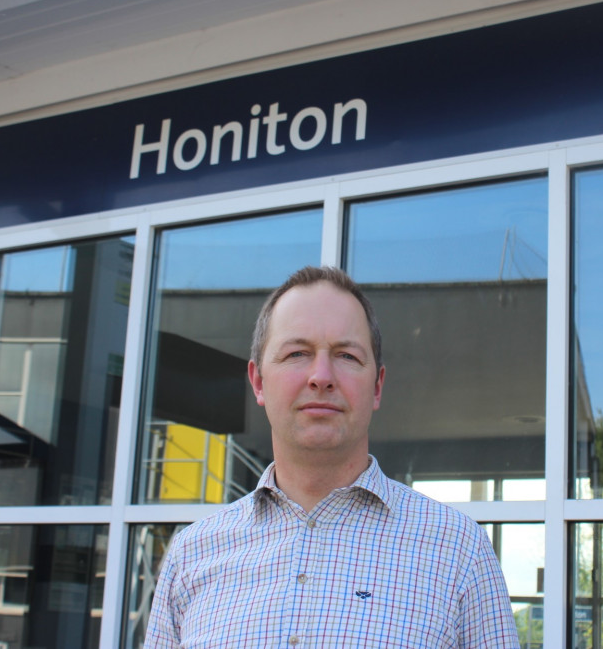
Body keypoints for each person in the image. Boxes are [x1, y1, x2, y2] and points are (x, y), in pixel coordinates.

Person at [144, 265, 520, 648]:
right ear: (258, 382)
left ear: (377, 386)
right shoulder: (192, 554)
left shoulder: (458, 551)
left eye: (346, 355)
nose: (321, 376)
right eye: (296, 353)